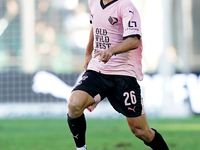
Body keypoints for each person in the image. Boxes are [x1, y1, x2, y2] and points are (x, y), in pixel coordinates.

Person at [67, 0, 169, 150]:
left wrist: (111, 50)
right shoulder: (93, 2)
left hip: (123, 75)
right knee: (74, 104)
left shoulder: (126, 6)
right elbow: (95, 24)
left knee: (141, 132)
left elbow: (133, 41)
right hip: (98, 70)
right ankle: (81, 149)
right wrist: (88, 52)